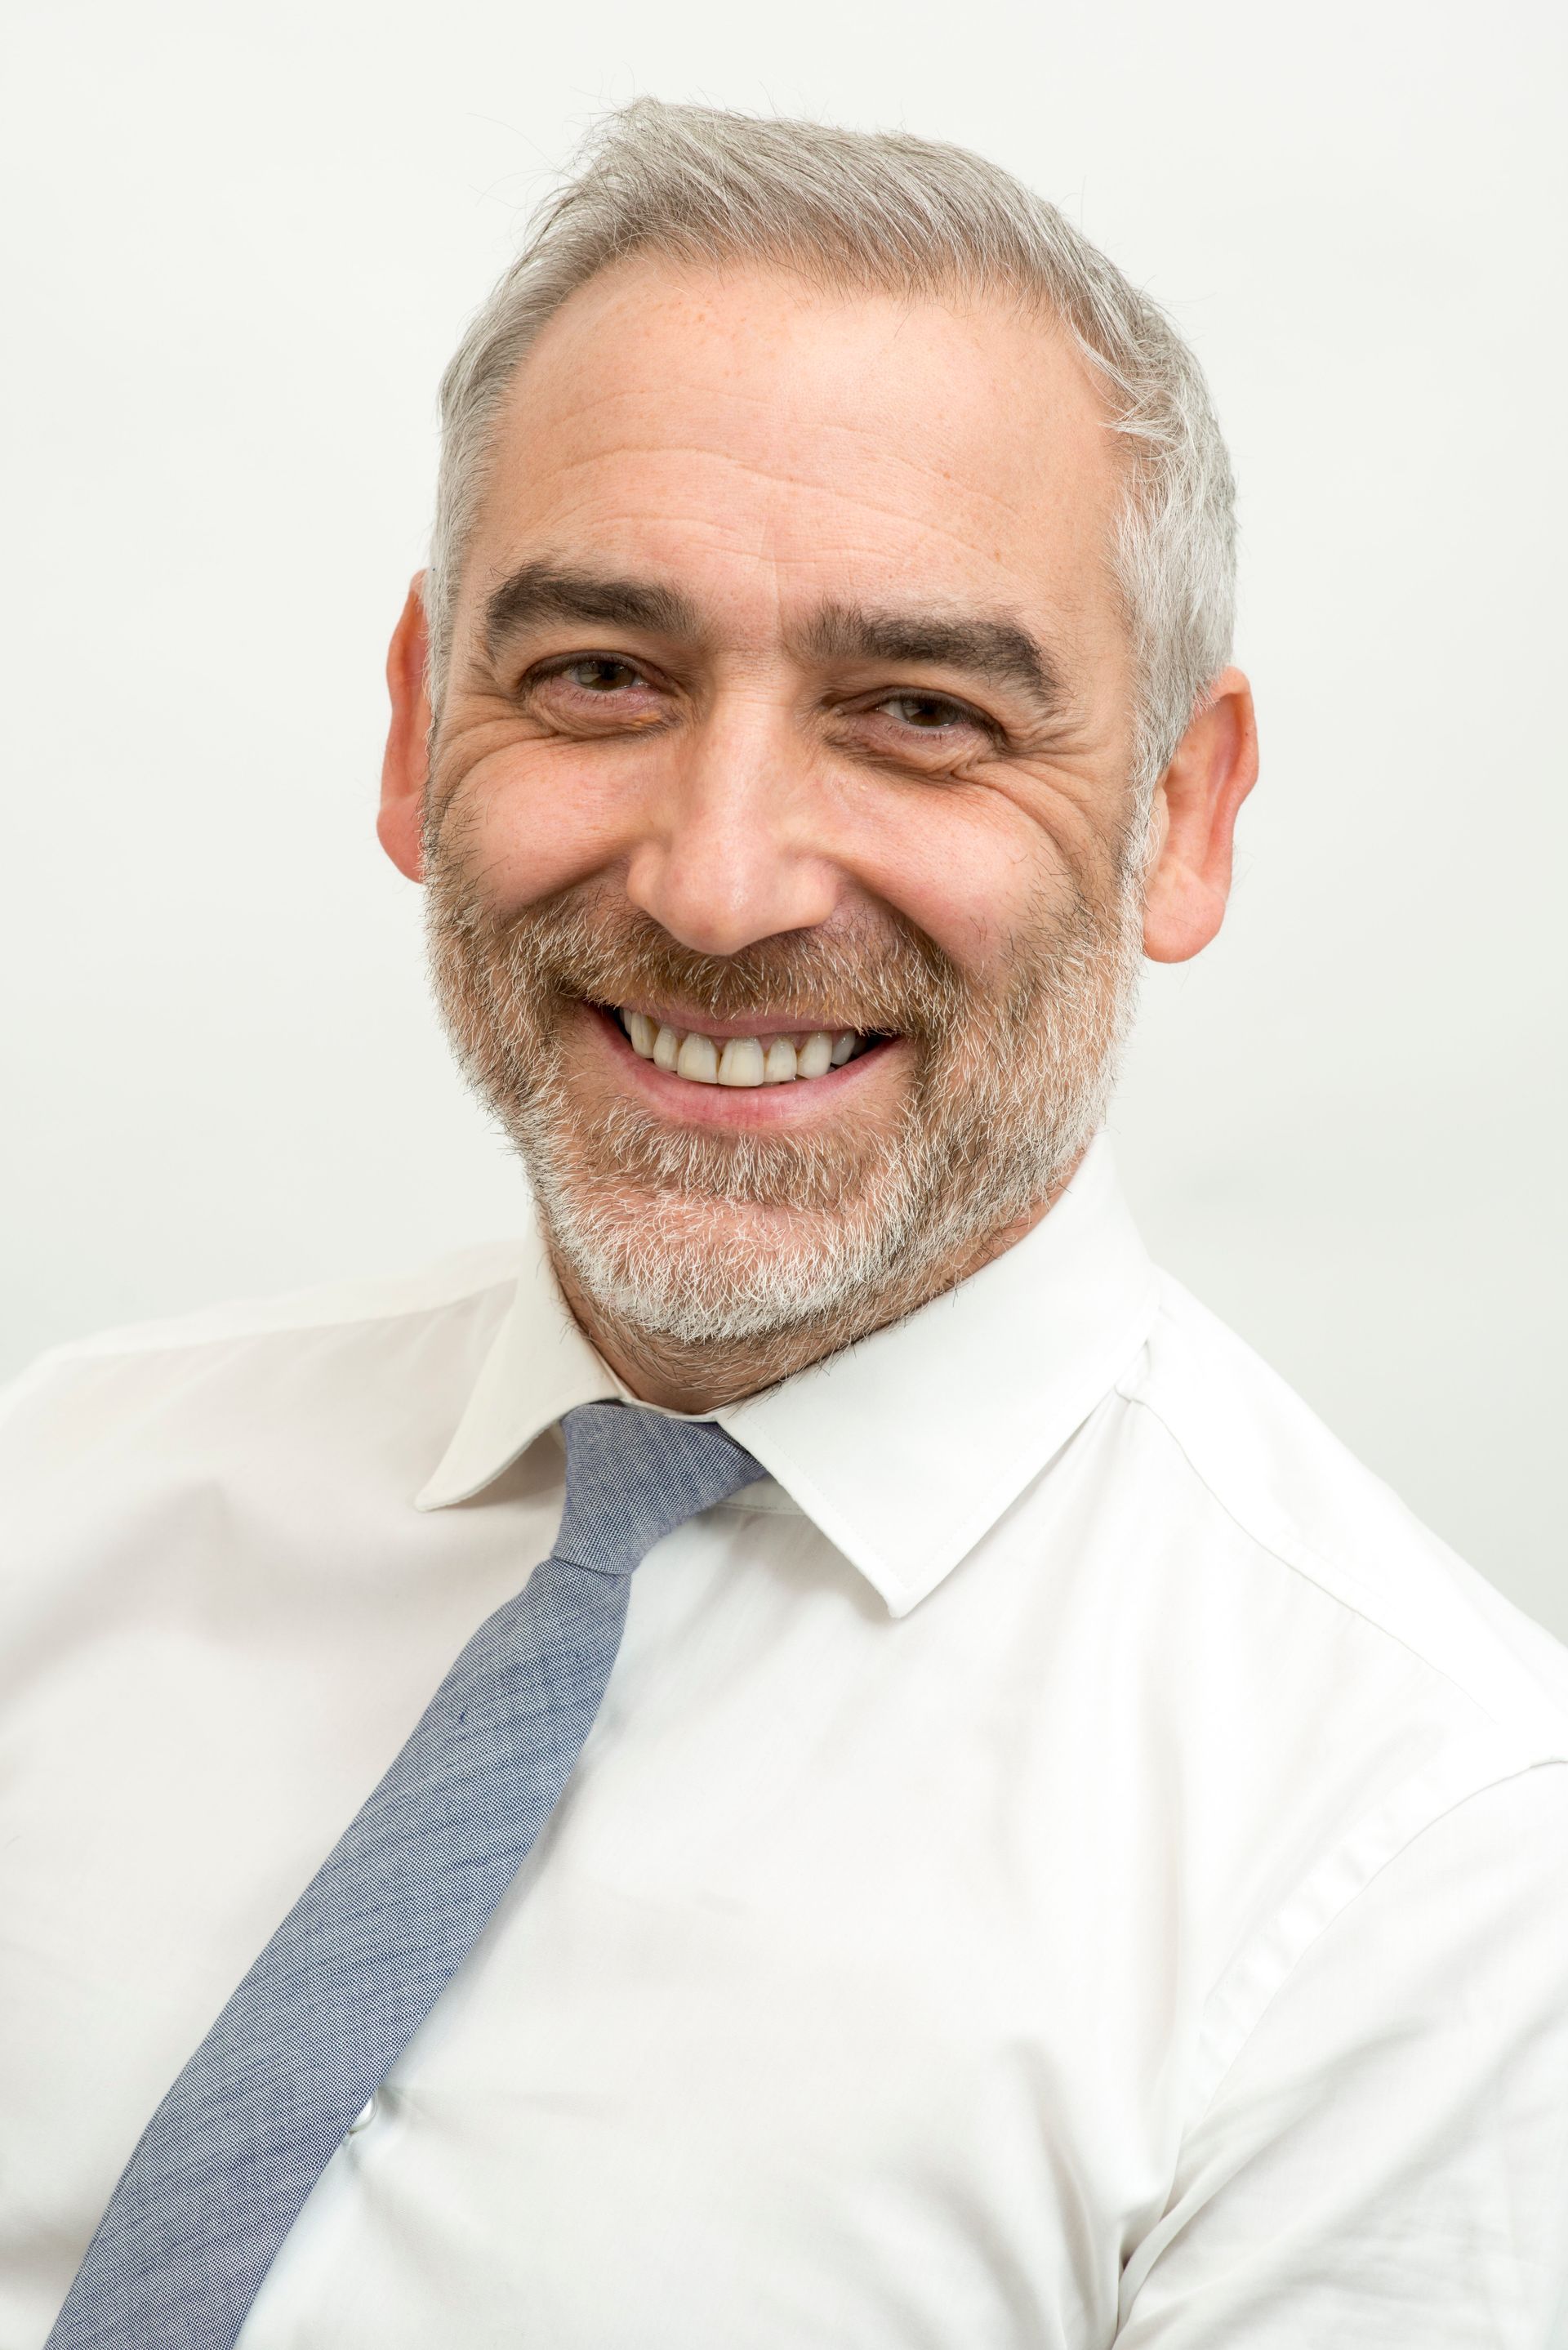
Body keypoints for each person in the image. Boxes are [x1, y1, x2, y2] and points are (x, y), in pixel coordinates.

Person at [4, 97, 1566, 2350]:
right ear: (412, 725)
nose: (719, 880)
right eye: (604, 679)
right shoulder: (62, 1498)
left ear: (1183, 819)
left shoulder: (1430, 1878)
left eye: (919, 716)